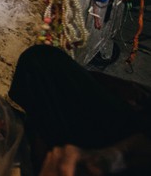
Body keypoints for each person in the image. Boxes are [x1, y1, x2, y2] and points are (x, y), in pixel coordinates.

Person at [8, 44, 151, 175]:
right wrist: (110, 156)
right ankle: (31, 135)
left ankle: (34, 149)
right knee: (40, 60)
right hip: (137, 132)